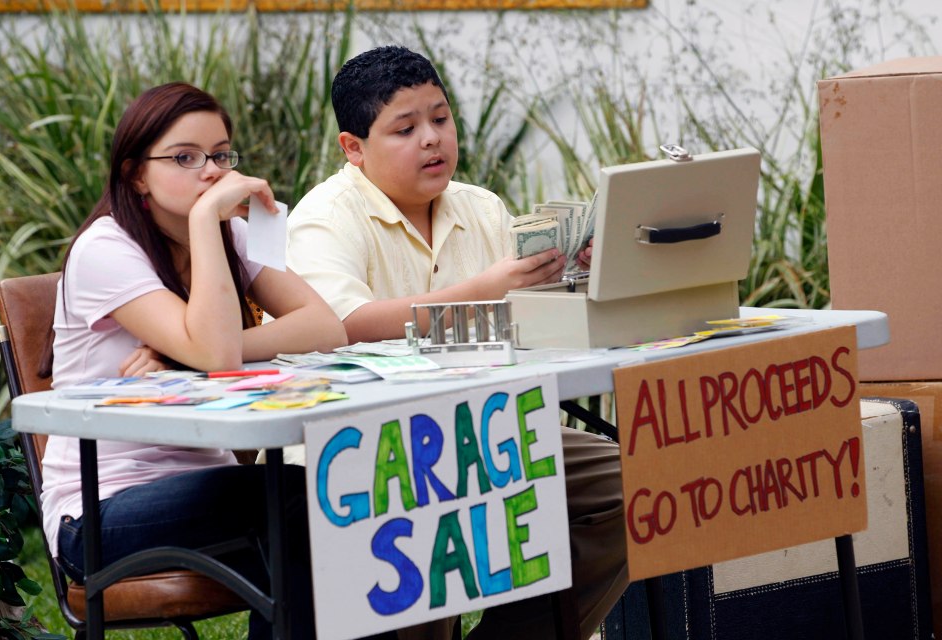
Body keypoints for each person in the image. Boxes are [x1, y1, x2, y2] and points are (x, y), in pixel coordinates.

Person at [285, 46, 628, 640]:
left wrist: (574, 277)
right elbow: (344, 323)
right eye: (405, 127)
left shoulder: (481, 207)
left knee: (639, 483)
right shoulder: (324, 217)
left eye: (440, 119)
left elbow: (528, 322)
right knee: (427, 525)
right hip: (366, 447)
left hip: (489, 429)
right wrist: (487, 287)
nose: (431, 139)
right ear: (353, 148)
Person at [39, 82, 348, 639]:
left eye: (221, 155)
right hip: (101, 510)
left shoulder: (236, 236)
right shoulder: (106, 250)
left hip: (210, 492)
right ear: (136, 175)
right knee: (302, 500)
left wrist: (189, 357)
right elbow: (216, 351)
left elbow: (325, 327)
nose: (210, 171)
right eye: (185, 158)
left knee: (344, 526)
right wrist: (207, 222)